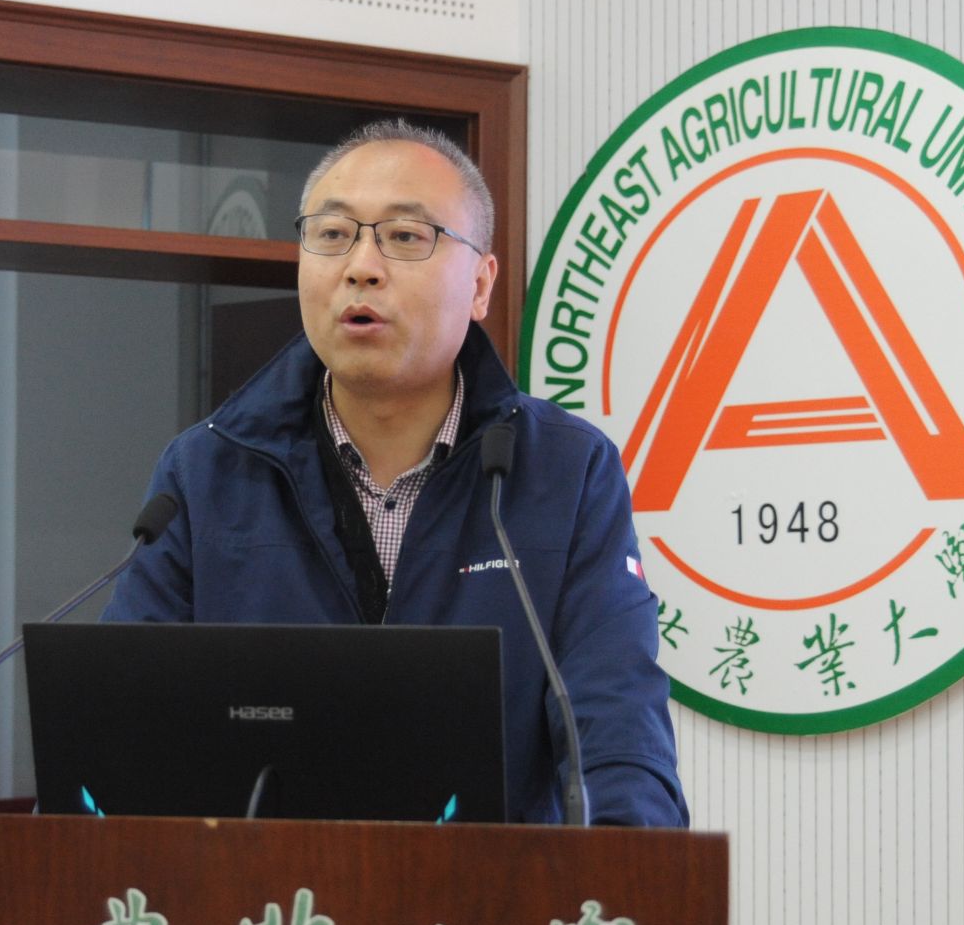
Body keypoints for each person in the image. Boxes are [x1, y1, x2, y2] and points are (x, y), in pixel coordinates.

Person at [103, 120, 688, 827]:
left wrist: (622, 872)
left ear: (480, 283)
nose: (361, 267)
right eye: (331, 234)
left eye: (405, 237)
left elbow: (618, 733)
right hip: (263, 894)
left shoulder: (565, 471)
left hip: (495, 892)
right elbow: (120, 733)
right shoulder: (206, 471)